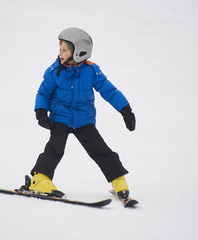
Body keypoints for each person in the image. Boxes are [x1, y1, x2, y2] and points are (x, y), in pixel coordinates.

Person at [28, 27, 136, 202]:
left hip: (84, 120)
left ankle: (118, 180)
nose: (60, 53)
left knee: (100, 150)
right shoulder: (54, 71)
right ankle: (39, 179)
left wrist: (125, 110)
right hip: (60, 118)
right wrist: (41, 112)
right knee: (55, 149)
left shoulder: (91, 71)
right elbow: (43, 93)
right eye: (60, 49)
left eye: (64, 50)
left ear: (79, 52)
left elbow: (110, 91)